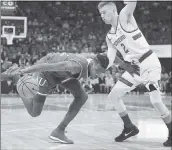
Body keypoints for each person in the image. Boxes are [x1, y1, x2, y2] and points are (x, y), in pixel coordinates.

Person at [1, 52, 138, 144]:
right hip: (47, 72)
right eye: (99, 71)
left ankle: (59, 131)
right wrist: (23, 71)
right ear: (95, 64)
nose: (99, 75)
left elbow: (113, 57)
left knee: (82, 96)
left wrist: (128, 67)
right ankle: (16, 78)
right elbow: (47, 66)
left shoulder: (96, 59)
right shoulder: (75, 66)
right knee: (34, 112)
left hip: (62, 75)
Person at [98, 1, 171, 147]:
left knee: (156, 101)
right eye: (100, 14)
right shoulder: (109, 36)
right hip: (134, 69)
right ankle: (129, 127)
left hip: (148, 63)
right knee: (113, 95)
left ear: (114, 10)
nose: (102, 16)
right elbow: (111, 58)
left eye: (104, 12)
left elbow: (132, 2)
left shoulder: (124, 17)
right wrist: (104, 64)